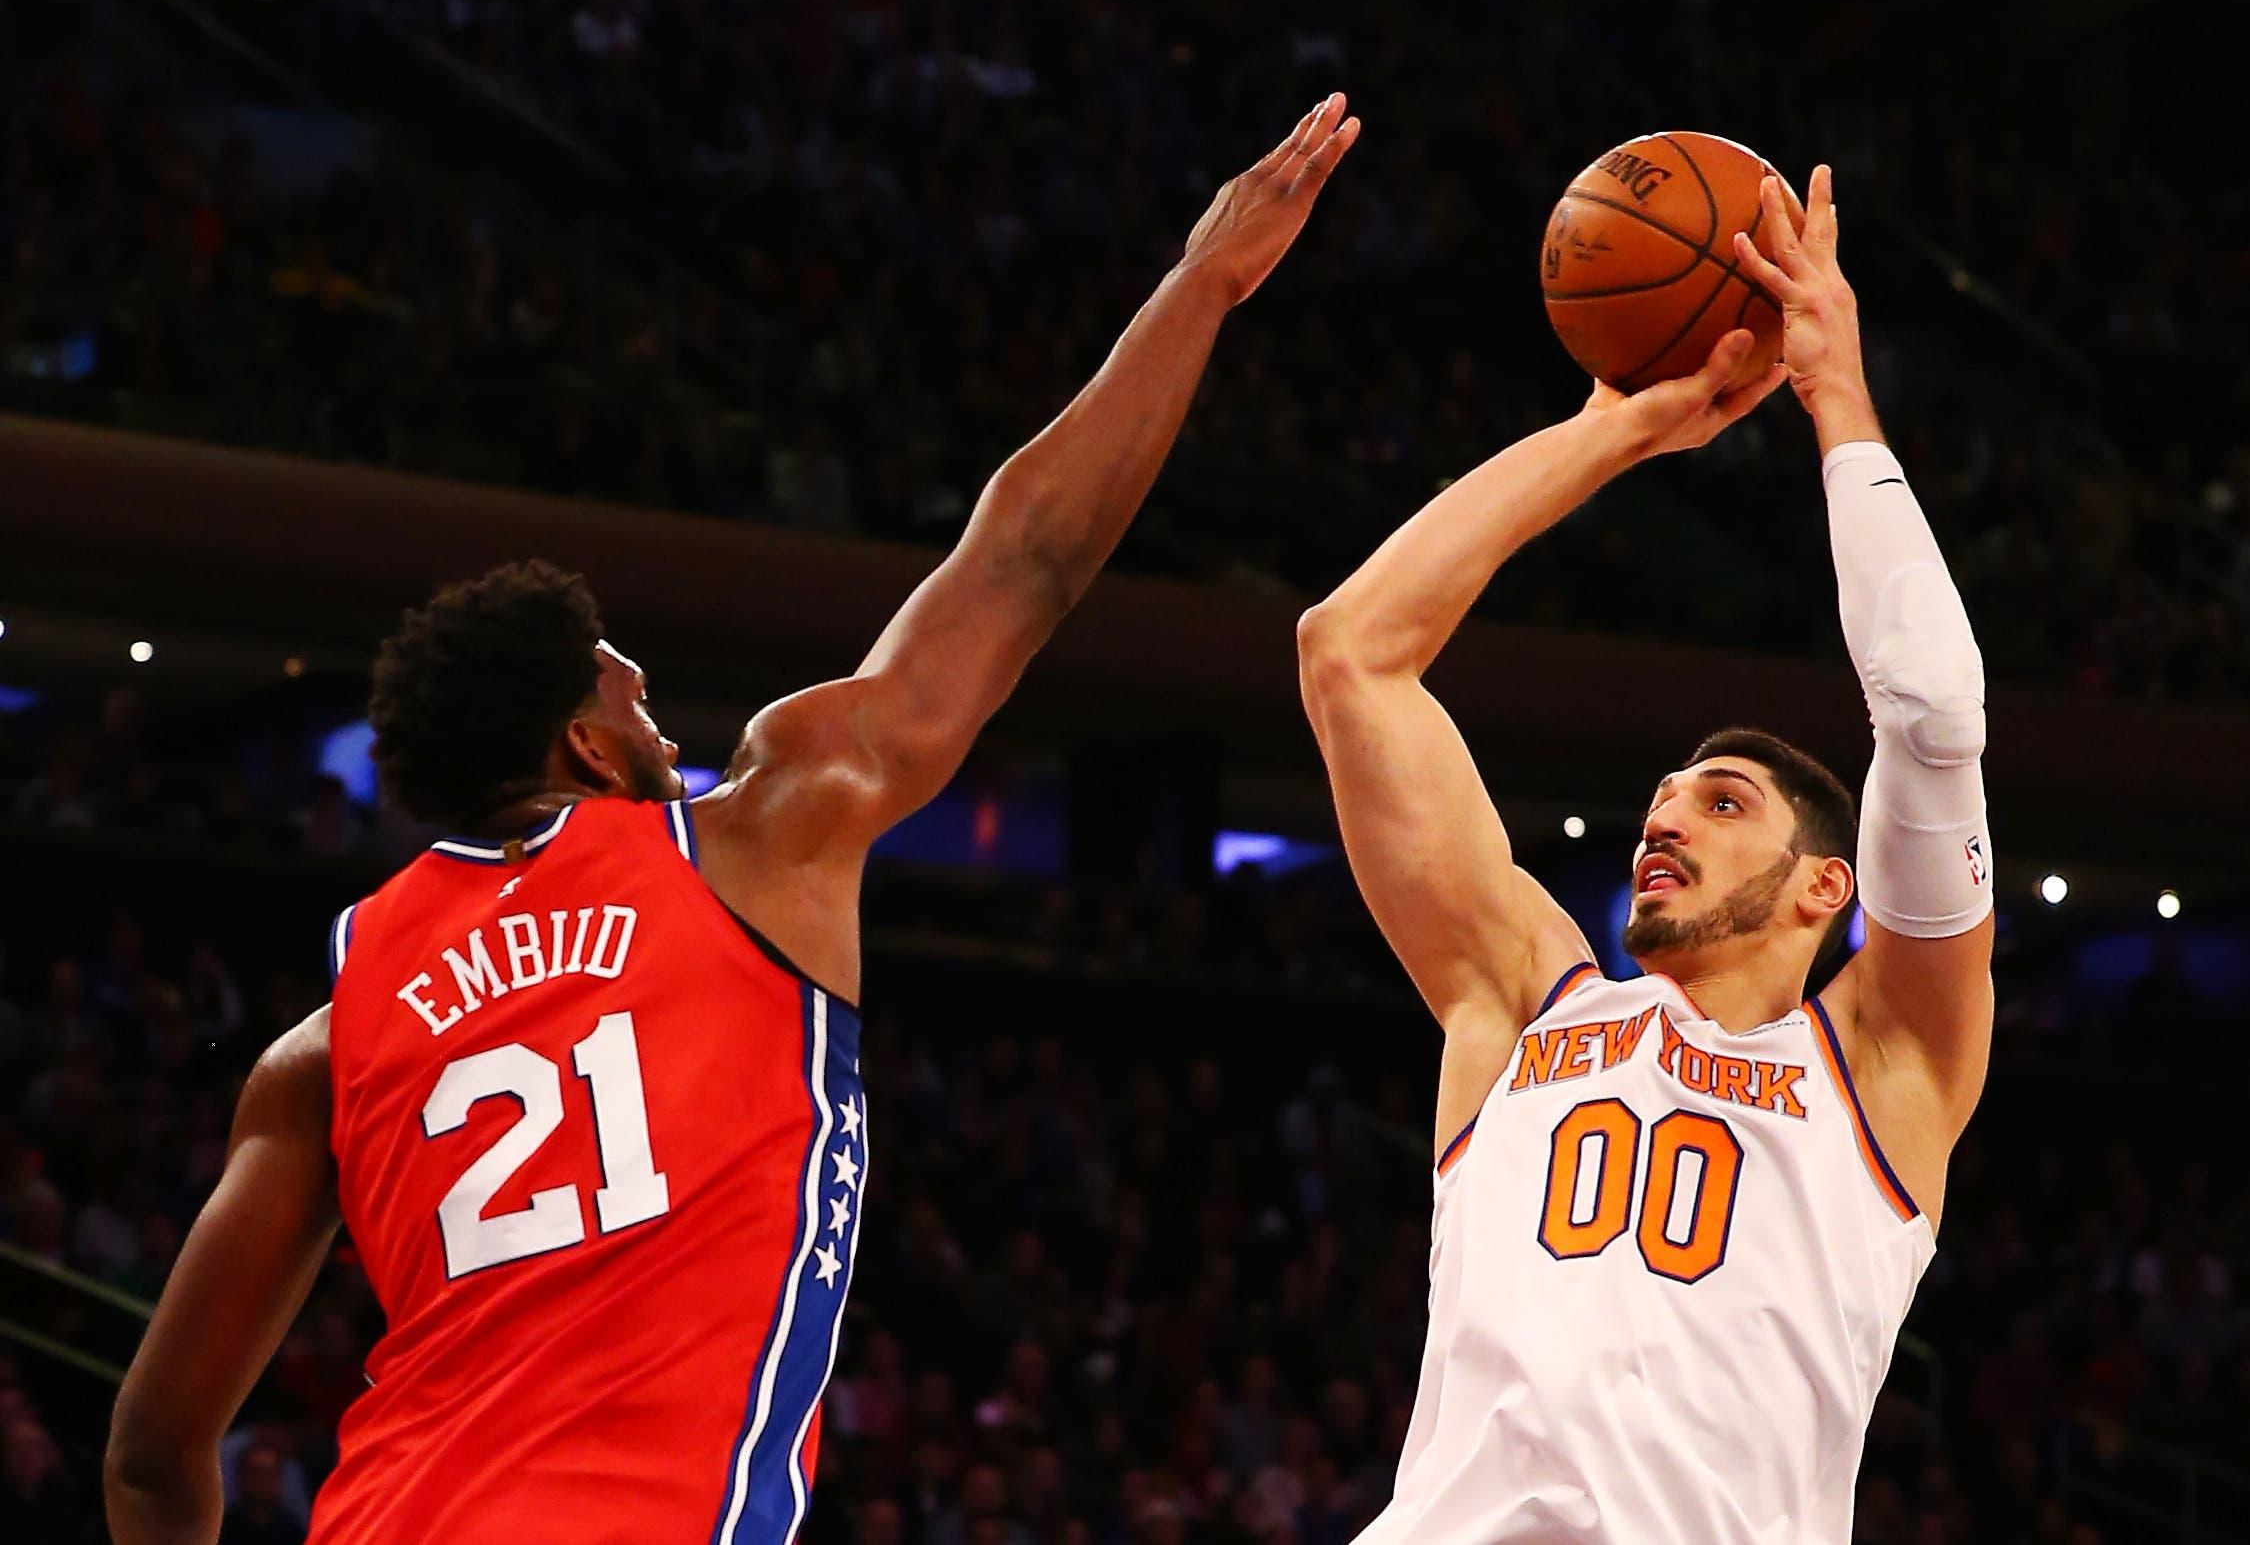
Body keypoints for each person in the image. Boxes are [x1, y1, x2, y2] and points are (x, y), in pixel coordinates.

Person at [105, 96, 1362, 1545]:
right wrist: (1202, 281)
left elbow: (151, 1448)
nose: (669, 734)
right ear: (584, 739)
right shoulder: (754, 836)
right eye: (638, 704)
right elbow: (1023, 557)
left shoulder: (324, 1038)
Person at [1297, 167, 1994, 1542]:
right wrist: (1614, 434)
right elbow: (1350, 650)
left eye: (1722, 801)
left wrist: (1834, 396)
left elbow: (1931, 713)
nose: (1663, 815)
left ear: (1823, 883)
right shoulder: (1520, 1001)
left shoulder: (1880, 1065)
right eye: (1664, 796)